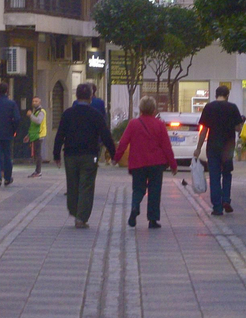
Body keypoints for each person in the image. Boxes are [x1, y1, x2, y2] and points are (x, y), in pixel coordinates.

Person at [52, 82, 115, 228]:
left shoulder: (68, 114)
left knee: (72, 183)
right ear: (91, 97)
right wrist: (113, 154)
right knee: (86, 185)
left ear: (76, 96)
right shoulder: (96, 115)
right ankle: (81, 217)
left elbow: (60, 135)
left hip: (70, 155)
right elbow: (106, 135)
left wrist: (56, 155)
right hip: (89, 155)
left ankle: (74, 210)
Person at [115, 96, 177, 229]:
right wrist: (173, 164)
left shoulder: (133, 124)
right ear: (154, 110)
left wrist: (116, 157)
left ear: (141, 109)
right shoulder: (159, 124)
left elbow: (123, 142)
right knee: (155, 190)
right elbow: (166, 146)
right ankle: (153, 220)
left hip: (138, 163)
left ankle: (135, 206)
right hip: (156, 163)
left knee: (138, 189)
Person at [195, 85, 244, 216]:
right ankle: (226, 200)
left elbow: (204, 130)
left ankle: (217, 207)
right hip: (228, 147)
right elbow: (238, 128)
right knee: (227, 174)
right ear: (227, 95)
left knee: (214, 176)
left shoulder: (209, 107)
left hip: (213, 147)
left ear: (216, 95)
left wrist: (198, 148)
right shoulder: (232, 107)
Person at [25, 96, 48, 178]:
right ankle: (37, 171)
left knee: (38, 154)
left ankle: (38, 171)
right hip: (34, 135)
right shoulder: (36, 111)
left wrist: (31, 115)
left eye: (36, 101)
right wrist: (28, 135)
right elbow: (33, 126)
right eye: (33, 101)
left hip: (39, 135)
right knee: (36, 154)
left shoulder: (41, 112)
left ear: (40, 102)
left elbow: (38, 121)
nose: (34, 103)